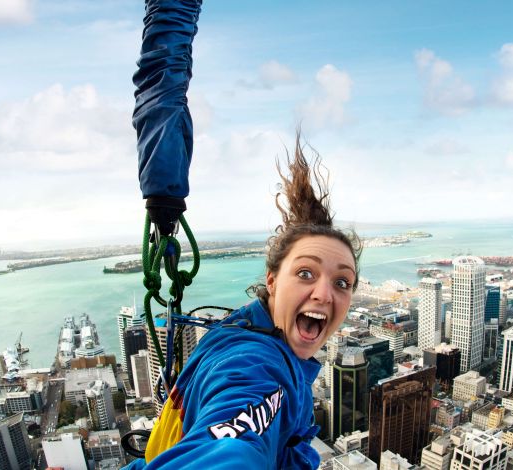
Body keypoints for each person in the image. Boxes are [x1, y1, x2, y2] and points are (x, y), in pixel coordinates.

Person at [126, 1, 362, 468]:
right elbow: (230, 450)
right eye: (306, 272)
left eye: (342, 281)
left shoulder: (262, 340)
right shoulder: (258, 369)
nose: (324, 292)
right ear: (272, 281)